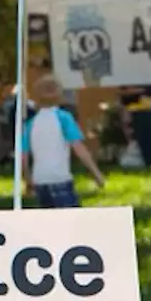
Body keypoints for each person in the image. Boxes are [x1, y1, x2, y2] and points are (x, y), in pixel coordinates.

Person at [22, 76, 105, 208]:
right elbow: (79, 148)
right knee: (69, 218)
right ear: (60, 96)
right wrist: (96, 172)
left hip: (39, 180)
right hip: (60, 178)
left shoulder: (30, 124)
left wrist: (27, 179)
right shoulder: (64, 118)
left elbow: (23, 156)